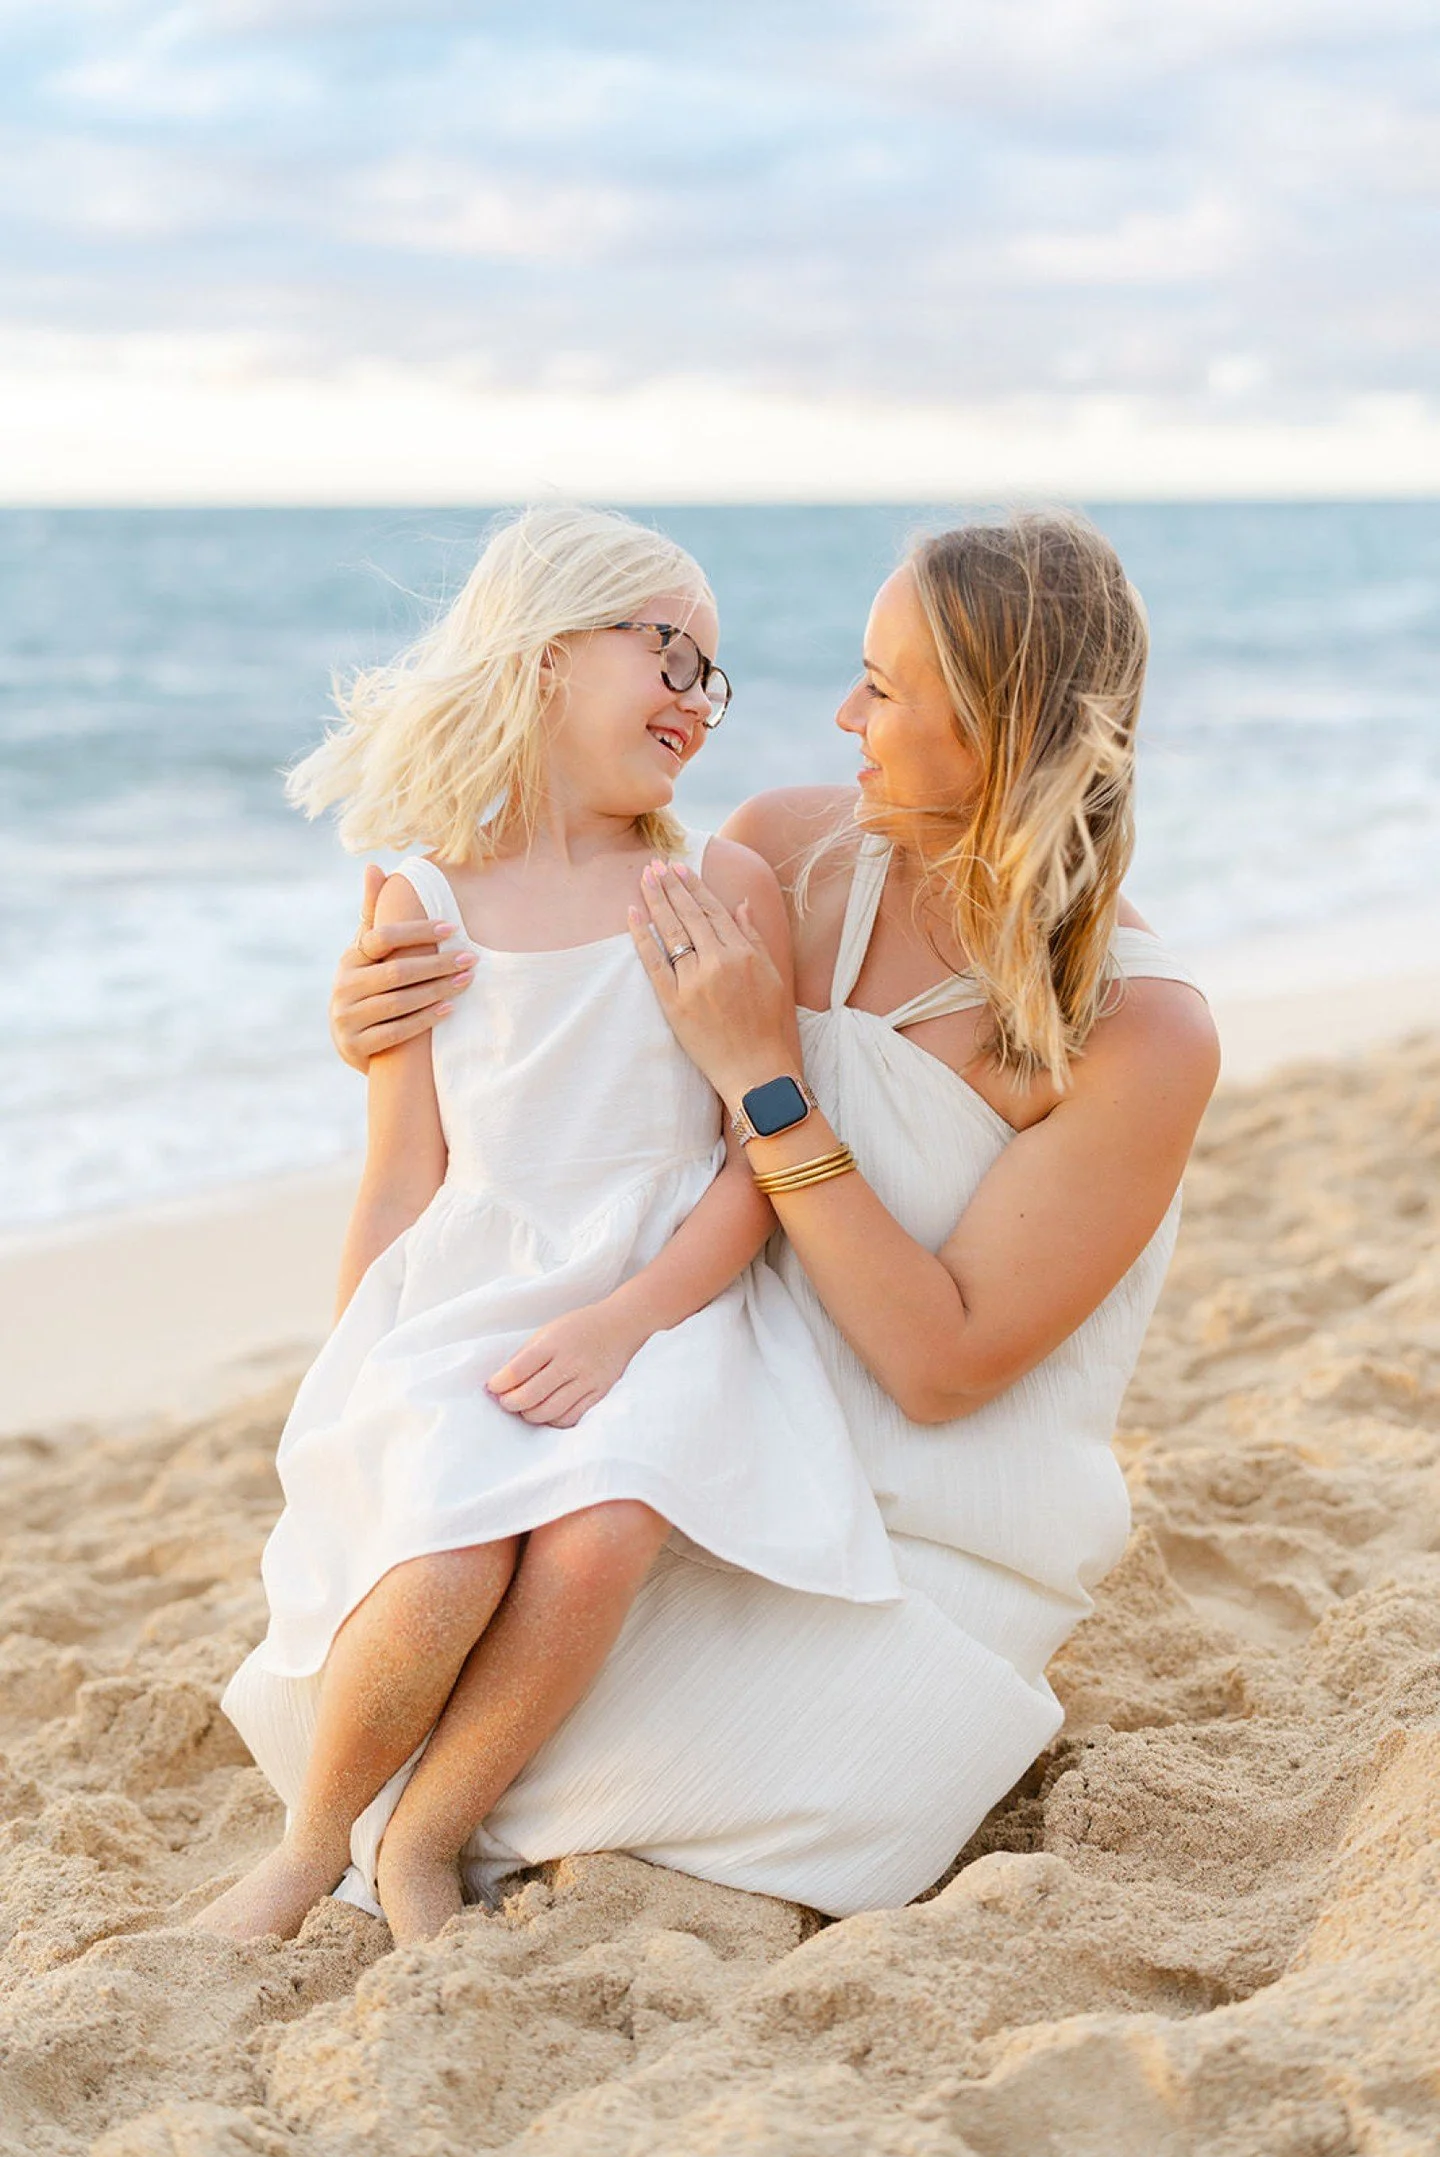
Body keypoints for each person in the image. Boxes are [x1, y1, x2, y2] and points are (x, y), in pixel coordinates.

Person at [321, 507, 1221, 1919]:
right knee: (456, 1642)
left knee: (740, 1801)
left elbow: (942, 1365)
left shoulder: (1140, 1030)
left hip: (933, 1516)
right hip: (708, 1422)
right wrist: (386, 1021)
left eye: (888, 686)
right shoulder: (796, 852)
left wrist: (765, 1076)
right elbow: (583, 1065)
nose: (845, 713)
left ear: (994, 721)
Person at [197, 506, 899, 1948]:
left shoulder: (715, 892)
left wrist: (624, 1319)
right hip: (473, 1288)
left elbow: (741, 1170)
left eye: (717, 674)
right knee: (446, 1545)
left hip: (665, 1297)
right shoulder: (426, 891)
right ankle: (314, 1839)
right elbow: (402, 1174)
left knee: (603, 1525)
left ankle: (428, 1842)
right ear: (539, 649)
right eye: (669, 653)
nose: (698, 699)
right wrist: (357, 1376)